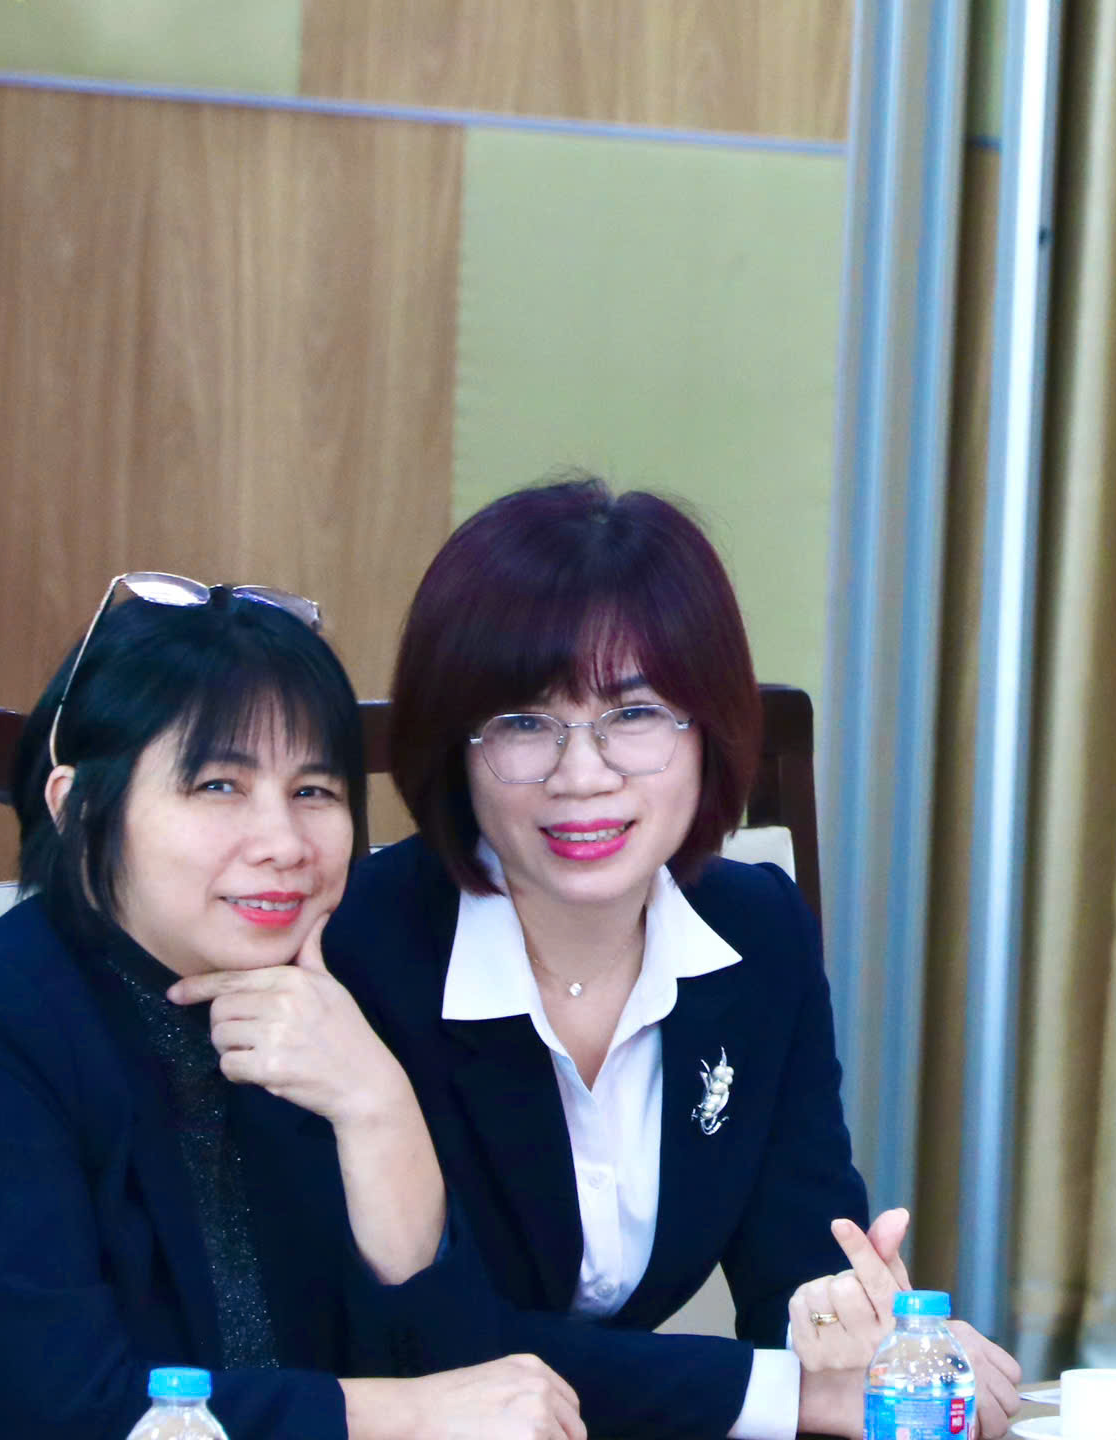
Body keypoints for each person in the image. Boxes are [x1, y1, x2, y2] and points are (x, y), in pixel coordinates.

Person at [0, 575, 582, 1440]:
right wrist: (394, 1415)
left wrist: (378, 1109)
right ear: (77, 807)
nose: (284, 843)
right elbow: (72, 1414)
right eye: (218, 786)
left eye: (315, 791)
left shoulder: (330, 1003)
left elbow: (462, 1376)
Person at [326, 479, 1024, 1440]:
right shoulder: (356, 950)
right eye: (524, 723)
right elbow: (421, 1346)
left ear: (710, 733)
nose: (582, 775)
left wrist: (863, 1333)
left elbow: (797, 1281)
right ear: (456, 748)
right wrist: (785, 1393)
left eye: (635, 714)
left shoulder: (757, 935)